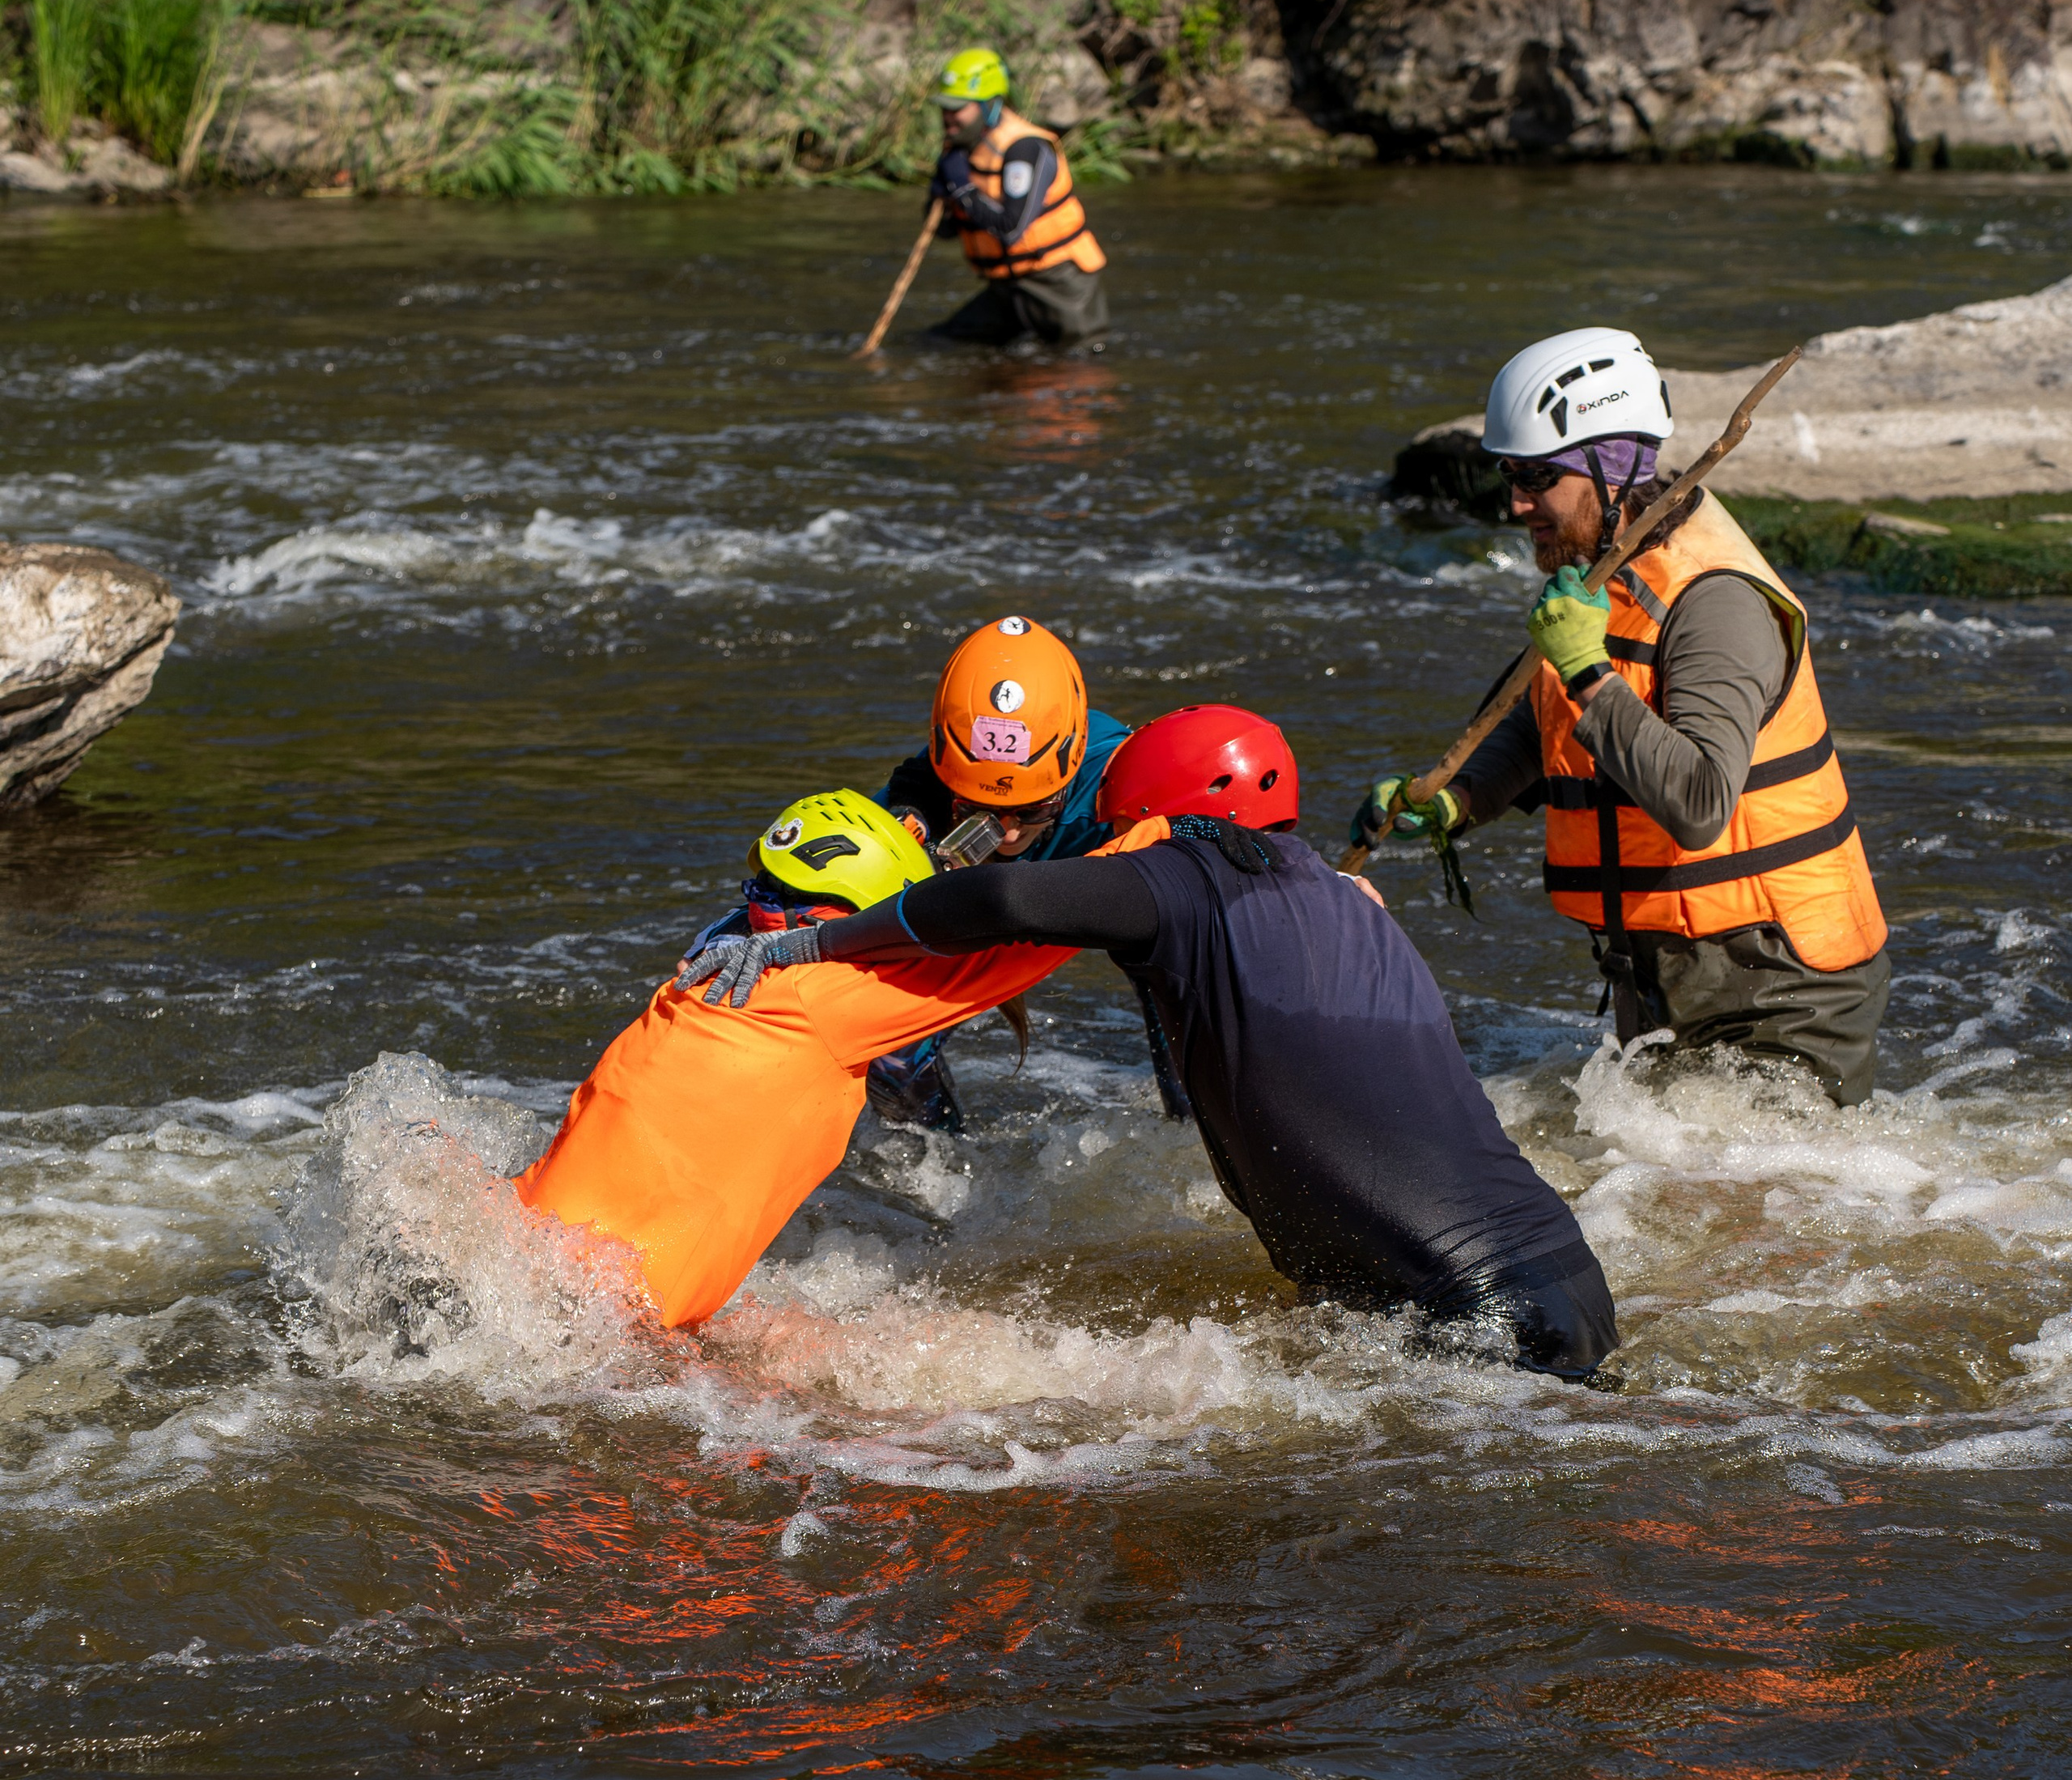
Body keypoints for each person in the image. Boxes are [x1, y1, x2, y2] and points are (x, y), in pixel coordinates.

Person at [683, 707, 1620, 1379]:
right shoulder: (1348, 902)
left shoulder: (1182, 873)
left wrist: (809, 940)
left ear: (1155, 821)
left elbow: (1002, 899)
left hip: (1470, 1319)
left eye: (1126, 835)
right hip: (1559, 1279)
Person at [1352, 325, 1891, 1108]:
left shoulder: (1715, 602)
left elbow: (1702, 802)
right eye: (1509, 475)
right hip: (1665, 972)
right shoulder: (1602, 575)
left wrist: (1587, 671)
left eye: (1538, 477)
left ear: (1614, 469)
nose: (1516, 503)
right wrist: (1457, 798)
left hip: (1780, 989)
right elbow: (1541, 725)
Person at [515, 788, 1095, 1328]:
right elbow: (1046, 922)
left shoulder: (711, 962)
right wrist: (1174, 834)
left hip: (518, 1252)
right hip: (613, 1327)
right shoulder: (833, 996)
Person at [874, 611, 1191, 1125]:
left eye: (1034, 810)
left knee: (1192, 1040)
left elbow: (1238, 861)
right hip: (980, 900)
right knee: (891, 1059)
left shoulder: (1129, 780)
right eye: (979, 811)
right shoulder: (915, 805)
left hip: (1112, 888)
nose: (1010, 834)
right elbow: (805, 896)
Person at [925, 48, 1108, 349]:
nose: (948, 117)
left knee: (1076, 370)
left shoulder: (1025, 149)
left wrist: (962, 190)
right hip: (1007, 288)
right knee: (940, 344)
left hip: (1058, 287)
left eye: (958, 108)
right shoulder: (961, 150)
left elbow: (1011, 229)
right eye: (944, 108)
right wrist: (940, 192)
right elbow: (943, 232)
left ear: (989, 105)